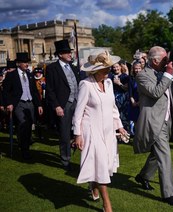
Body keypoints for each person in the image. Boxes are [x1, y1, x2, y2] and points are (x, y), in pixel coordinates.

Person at [133, 46, 173, 206]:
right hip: (153, 122)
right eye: (165, 59)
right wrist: (169, 74)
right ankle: (169, 194)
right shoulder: (142, 76)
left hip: (166, 122)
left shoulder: (163, 74)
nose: (168, 62)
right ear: (155, 60)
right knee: (165, 156)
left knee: (155, 153)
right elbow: (157, 92)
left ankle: (143, 176)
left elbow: (168, 99)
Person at [73, 50, 127, 212]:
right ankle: (107, 204)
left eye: (109, 68)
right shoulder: (86, 85)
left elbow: (112, 108)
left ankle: (93, 184)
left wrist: (120, 126)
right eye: (105, 69)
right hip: (91, 130)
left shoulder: (110, 83)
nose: (108, 71)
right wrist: (77, 134)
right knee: (101, 165)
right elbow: (78, 112)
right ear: (95, 70)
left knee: (105, 164)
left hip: (108, 131)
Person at [46, 39, 80, 170]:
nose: (70, 54)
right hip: (63, 104)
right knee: (65, 134)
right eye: (67, 52)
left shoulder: (74, 67)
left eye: (70, 52)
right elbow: (50, 89)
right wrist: (57, 106)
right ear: (60, 54)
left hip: (77, 102)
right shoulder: (52, 68)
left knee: (80, 130)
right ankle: (66, 160)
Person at [2, 52, 43, 159]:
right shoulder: (11, 75)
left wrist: (39, 105)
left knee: (28, 125)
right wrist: (9, 103)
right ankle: (24, 150)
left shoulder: (30, 75)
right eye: (24, 62)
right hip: (19, 103)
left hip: (30, 103)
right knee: (23, 123)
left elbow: (34, 91)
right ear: (18, 63)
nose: (26, 64)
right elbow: (5, 91)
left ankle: (24, 144)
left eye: (27, 62)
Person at [109, 60, 130, 132]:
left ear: (120, 67)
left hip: (123, 99)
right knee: (114, 116)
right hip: (113, 98)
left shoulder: (125, 76)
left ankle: (124, 133)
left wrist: (119, 83)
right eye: (114, 67)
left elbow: (126, 88)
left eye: (117, 67)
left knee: (123, 117)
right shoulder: (110, 76)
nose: (115, 69)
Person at [128, 60, 142, 136]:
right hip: (134, 103)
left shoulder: (145, 78)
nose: (137, 70)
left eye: (139, 68)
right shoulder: (131, 79)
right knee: (136, 122)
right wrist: (133, 102)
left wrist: (140, 102)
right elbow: (130, 92)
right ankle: (137, 138)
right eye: (136, 68)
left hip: (143, 102)